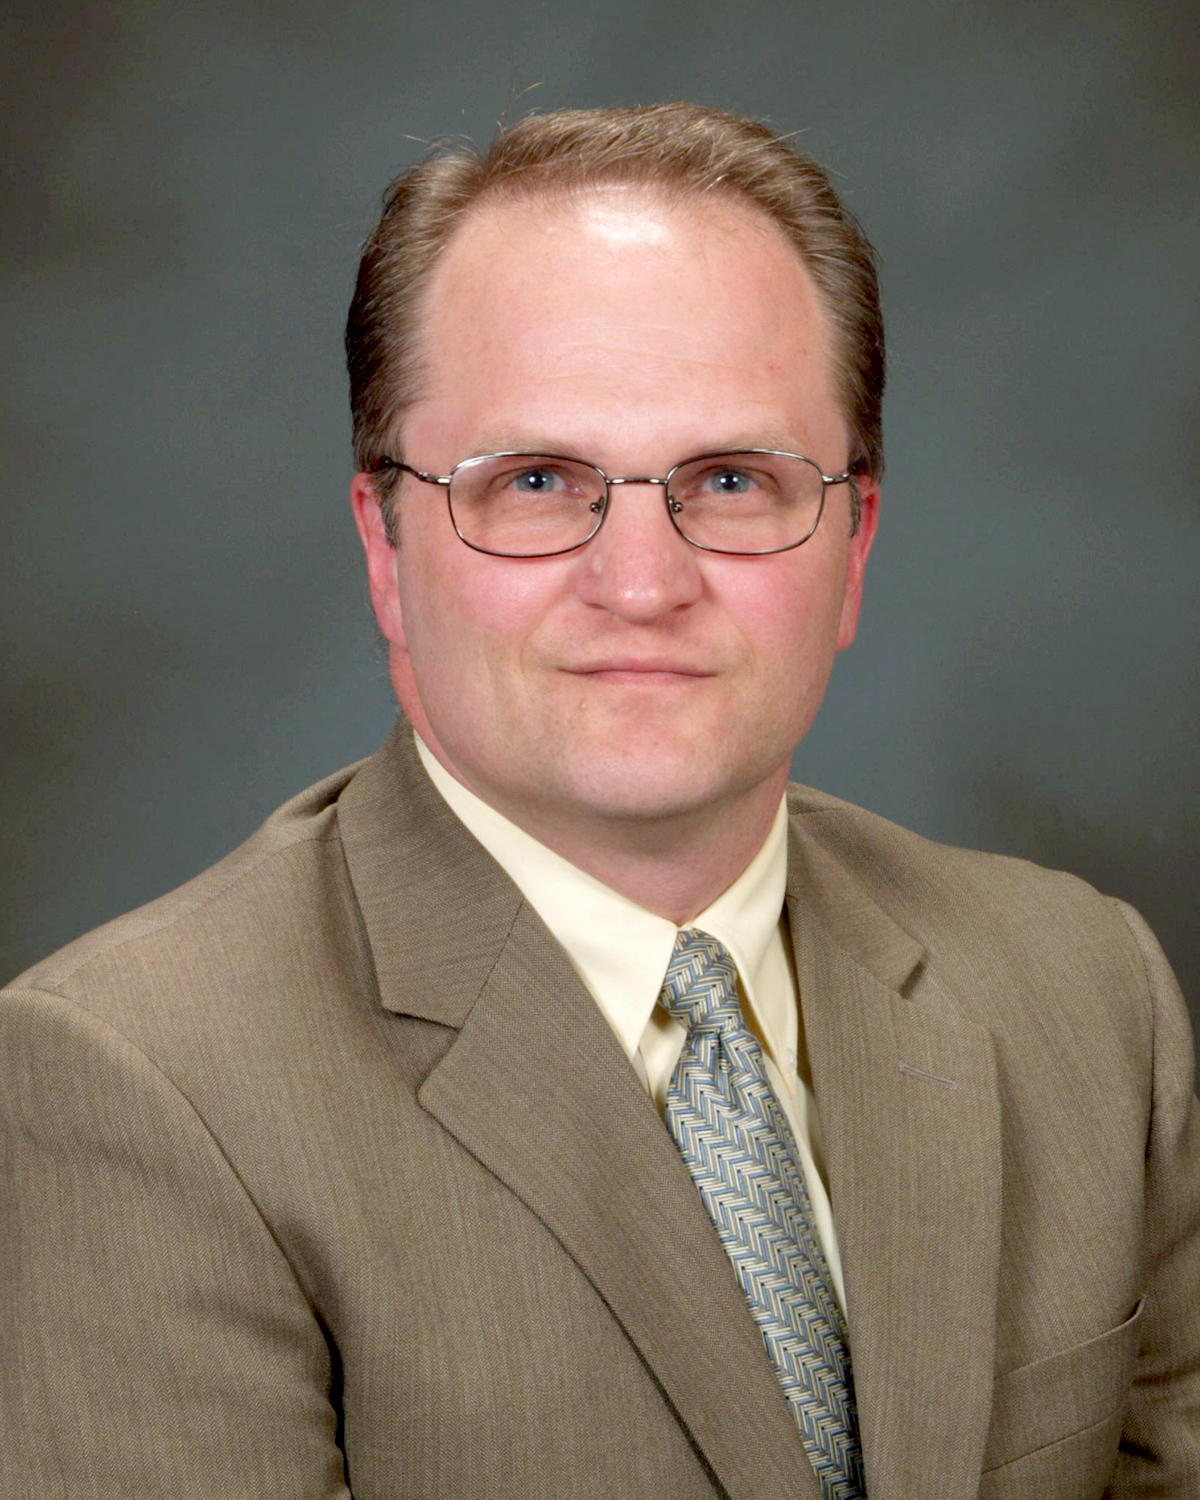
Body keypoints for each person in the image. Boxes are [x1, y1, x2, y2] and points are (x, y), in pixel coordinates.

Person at [3, 103, 1197, 1500]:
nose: (641, 584)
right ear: (387, 547)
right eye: (535, 481)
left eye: (733, 479)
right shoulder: (132, 1086)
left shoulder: (1086, 992)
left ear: (855, 543)